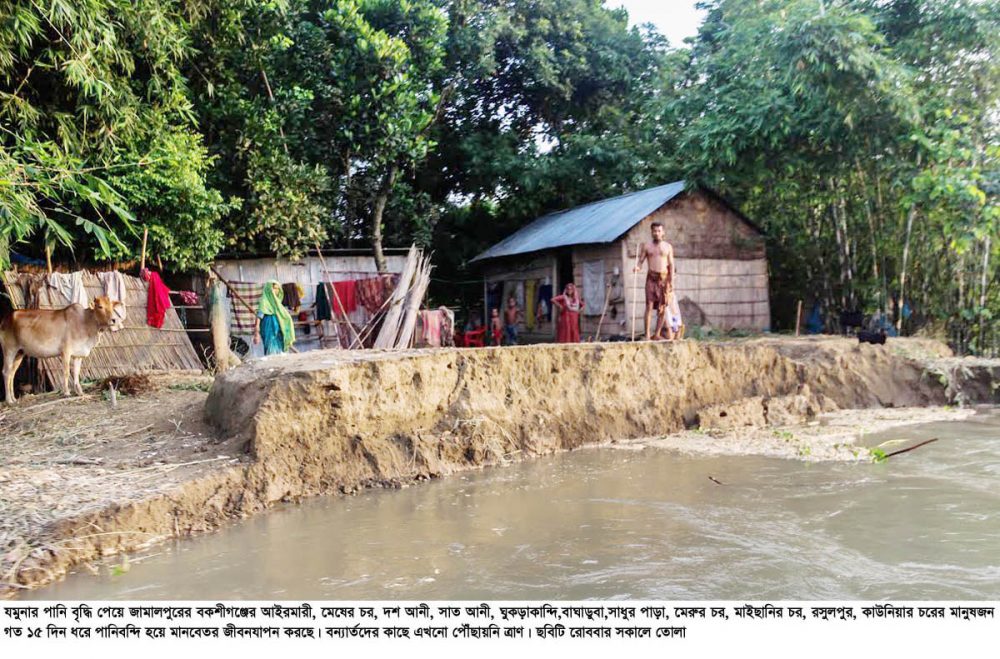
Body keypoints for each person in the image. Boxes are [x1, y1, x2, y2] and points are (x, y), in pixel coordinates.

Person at [634, 222, 675, 340]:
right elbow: (641, 261)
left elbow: (671, 264)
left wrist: (671, 280)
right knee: (649, 306)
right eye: (654, 231)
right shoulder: (647, 246)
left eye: (659, 231)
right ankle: (647, 334)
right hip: (651, 279)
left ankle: (656, 334)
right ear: (651, 232)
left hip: (663, 279)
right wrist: (638, 267)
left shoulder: (668, 247)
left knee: (662, 307)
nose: (656, 233)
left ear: (663, 232)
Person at [253, 280, 295, 355]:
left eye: (277, 288)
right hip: (268, 331)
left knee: (280, 350)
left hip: (279, 332)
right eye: (274, 288)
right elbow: (258, 317)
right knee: (271, 350)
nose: (276, 291)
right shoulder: (264, 302)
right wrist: (256, 333)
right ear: (269, 289)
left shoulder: (278, 305)